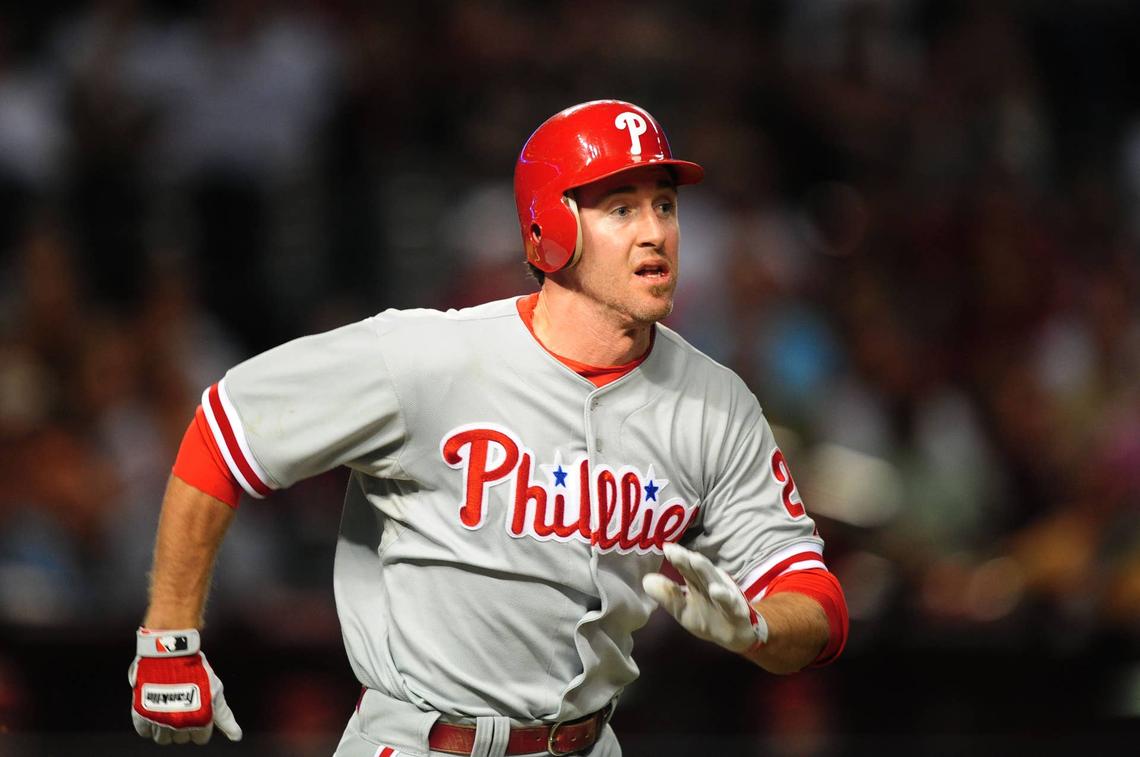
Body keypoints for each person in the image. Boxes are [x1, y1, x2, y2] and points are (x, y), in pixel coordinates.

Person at [128, 100, 849, 757]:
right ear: (551, 227)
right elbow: (227, 428)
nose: (656, 230)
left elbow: (814, 598)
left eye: (665, 204)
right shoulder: (431, 357)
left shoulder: (716, 403)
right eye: (620, 208)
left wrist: (760, 629)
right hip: (419, 742)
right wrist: (169, 636)